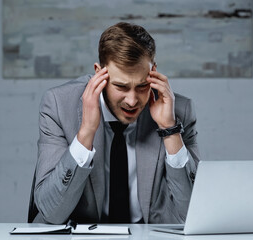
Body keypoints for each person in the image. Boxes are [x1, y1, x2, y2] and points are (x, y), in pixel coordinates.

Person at [28, 22, 201, 224]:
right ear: (99, 73)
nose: (132, 100)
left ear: (153, 71)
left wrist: (170, 130)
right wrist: (85, 133)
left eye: (142, 86)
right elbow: (50, 212)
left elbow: (193, 214)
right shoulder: (59, 106)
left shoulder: (180, 111)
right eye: (121, 86)